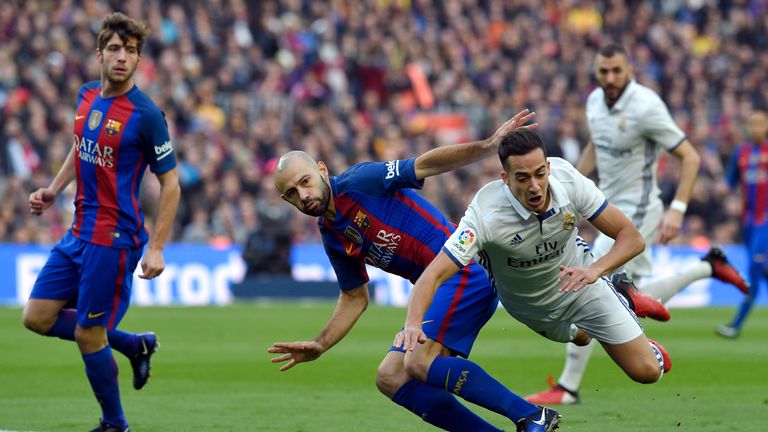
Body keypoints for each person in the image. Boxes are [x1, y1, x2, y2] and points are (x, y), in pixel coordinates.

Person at [269, 109, 561, 432]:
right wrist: (320, 344)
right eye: (293, 193)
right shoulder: (332, 234)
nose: (304, 195)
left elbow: (425, 164)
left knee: (418, 361)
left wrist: (487, 146)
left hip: (461, 270)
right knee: (390, 377)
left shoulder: (359, 182)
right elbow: (354, 297)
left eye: (305, 182)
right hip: (437, 287)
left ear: (321, 170)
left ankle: (531, 415)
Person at [524, 43, 749, 405]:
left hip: (639, 211)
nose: (610, 78)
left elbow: (689, 156)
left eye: (617, 71)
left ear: (629, 70)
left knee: (588, 281)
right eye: (603, 72)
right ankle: (707, 266)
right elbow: (595, 147)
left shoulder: (646, 106)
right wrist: (568, 186)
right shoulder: (595, 103)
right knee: (625, 290)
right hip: (606, 208)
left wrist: (678, 208)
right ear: (596, 73)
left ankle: (568, 386)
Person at [395, 128, 672, 400]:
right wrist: (413, 323)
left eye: (540, 173)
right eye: (523, 178)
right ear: (505, 178)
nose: (535, 186)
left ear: (548, 167)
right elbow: (433, 275)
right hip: (532, 307)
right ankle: (625, 297)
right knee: (583, 339)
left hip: (584, 282)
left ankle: (619, 296)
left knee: (646, 371)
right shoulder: (484, 215)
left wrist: (595, 271)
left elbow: (631, 238)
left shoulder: (569, 180)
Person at [23, 13, 180, 432]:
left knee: (89, 335)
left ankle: (115, 425)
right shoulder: (87, 95)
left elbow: (171, 185)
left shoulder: (147, 116)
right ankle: (134, 343)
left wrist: (158, 246)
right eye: (115, 48)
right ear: (99, 53)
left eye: (131, 51)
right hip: (78, 232)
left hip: (114, 240)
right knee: (35, 317)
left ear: (138, 59)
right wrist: (55, 190)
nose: (122, 57)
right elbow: (81, 147)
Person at [715, 109, 768, 338]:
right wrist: (719, 191)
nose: (756, 127)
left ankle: (735, 325)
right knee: (762, 271)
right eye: (752, 123)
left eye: (760, 123)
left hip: (765, 221)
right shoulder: (742, 152)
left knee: (754, 270)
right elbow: (729, 182)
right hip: (747, 222)